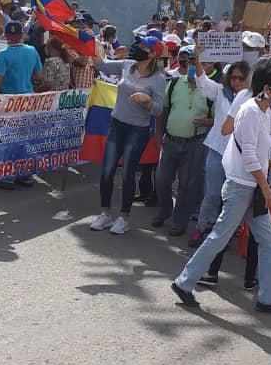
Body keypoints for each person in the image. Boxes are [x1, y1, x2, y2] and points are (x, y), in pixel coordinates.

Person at [171, 57, 271, 315]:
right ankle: (185, 281)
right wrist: (267, 187)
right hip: (242, 186)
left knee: (268, 242)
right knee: (220, 236)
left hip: (254, 187)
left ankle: (267, 298)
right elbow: (248, 154)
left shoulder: (265, 109)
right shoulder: (250, 110)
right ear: (266, 87)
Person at [89, 36, 166, 235]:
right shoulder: (127, 65)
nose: (137, 47)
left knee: (127, 174)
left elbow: (158, 110)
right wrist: (87, 46)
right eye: (139, 44)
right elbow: (104, 65)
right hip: (117, 125)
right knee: (107, 170)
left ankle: (124, 217)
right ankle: (104, 214)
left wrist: (147, 100)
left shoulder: (158, 78)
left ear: (152, 54)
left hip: (137, 130)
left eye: (143, 46)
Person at [153, 44, 217, 236]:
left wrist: (206, 121)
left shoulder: (211, 91)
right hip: (171, 141)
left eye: (197, 62)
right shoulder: (174, 83)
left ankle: (179, 222)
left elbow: (219, 119)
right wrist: (158, 134)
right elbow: (163, 110)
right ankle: (164, 210)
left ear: (206, 67)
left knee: (187, 185)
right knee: (162, 179)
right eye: (189, 61)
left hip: (195, 143)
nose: (192, 66)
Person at [195, 61, 251, 246]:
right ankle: (202, 227)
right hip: (218, 150)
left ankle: (224, 234)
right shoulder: (220, 92)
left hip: (239, 155)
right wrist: (197, 57)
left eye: (241, 78)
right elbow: (202, 81)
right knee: (212, 194)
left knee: (231, 197)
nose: (236, 81)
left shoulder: (253, 99)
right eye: (233, 77)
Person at [0, 21, 44, 189]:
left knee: (6, 140)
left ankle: (5, 177)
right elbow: (40, 76)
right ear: (22, 35)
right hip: (28, 100)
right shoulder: (32, 50)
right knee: (24, 140)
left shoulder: (3, 54)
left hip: (9, 102)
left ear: (6, 36)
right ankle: (25, 175)